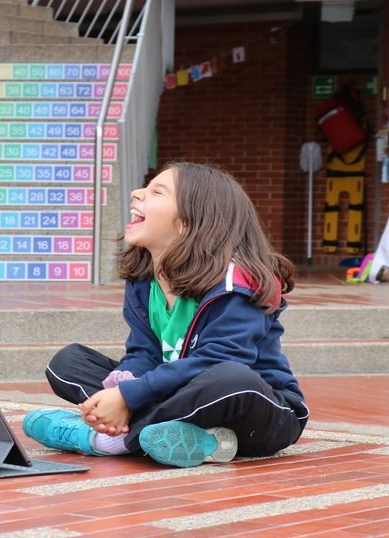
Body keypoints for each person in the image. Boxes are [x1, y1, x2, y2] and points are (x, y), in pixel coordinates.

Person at [23, 162, 309, 468]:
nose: (136, 194)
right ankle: (200, 439)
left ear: (188, 221)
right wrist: (125, 385)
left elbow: (220, 360)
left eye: (156, 192)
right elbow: (143, 351)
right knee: (68, 363)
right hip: (177, 393)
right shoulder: (145, 280)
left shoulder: (237, 282)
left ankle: (109, 439)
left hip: (257, 413)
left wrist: (129, 398)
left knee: (232, 377)